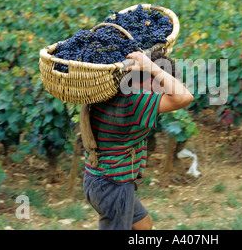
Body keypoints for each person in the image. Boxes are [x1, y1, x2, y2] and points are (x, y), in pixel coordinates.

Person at [82, 50, 193, 230]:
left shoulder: (113, 90)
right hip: (113, 185)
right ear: (150, 78)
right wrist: (152, 66)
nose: (163, 92)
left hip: (100, 179)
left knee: (143, 224)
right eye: (162, 85)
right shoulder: (135, 102)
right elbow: (184, 97)